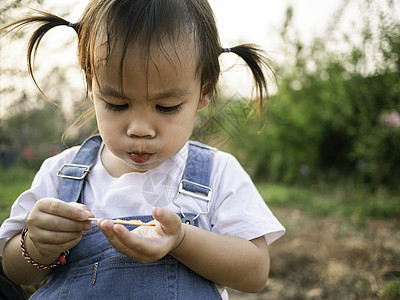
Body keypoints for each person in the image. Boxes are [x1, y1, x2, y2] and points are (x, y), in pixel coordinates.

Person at [0, 0, 285, 299]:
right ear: (91, 84)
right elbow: (13, 270)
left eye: (166, 107)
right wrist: (36, 246)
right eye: (117, 104)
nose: (140, 128)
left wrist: (181, 240)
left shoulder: (217, 172)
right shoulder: (61, 175)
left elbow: (254, 273)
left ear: (204, 92)